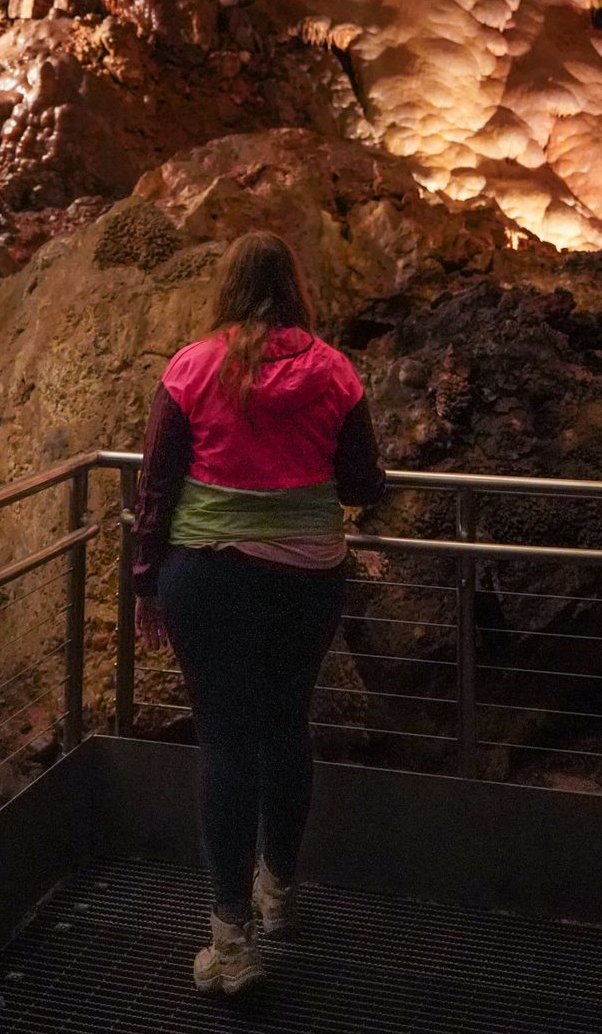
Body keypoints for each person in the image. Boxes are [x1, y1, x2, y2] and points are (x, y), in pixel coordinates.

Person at [132, 230, 385, 995]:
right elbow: (365, 483)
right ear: (295, 289)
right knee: (286, 726)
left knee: (226, 741)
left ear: (227, 288)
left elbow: (157, 487)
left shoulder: (193, 366)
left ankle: (231, 945)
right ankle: (279, 896)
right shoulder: (336, 373)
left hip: (208, 576)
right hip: (308, 577)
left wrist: (144, 579)